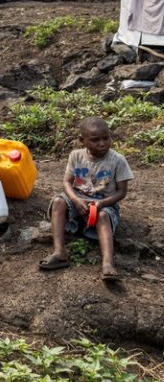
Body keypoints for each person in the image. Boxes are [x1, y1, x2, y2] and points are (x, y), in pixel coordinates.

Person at [39, 117, 133, 280]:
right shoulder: (76, 156)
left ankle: (107, 263)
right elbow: (67, 182)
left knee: (103, 216)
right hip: (77, 201)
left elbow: (121, 192)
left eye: (106, 138)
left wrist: (101, 203)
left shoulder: (117, 160)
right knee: (58, 202)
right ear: (82, 140)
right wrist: (75, 200)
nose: (102, 143)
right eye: (95, 140)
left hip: (105, 204)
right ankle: (59, 252)